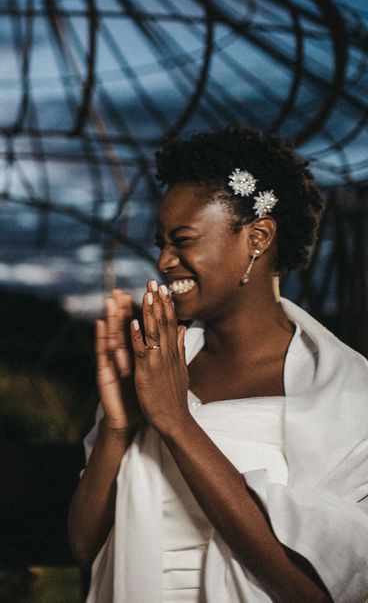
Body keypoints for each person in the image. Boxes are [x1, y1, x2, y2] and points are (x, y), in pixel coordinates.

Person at [68, 126, 368, 602]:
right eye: (161, 242)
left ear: (258, 237)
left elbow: (317, 590)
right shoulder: (158, 365)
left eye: (182, 240)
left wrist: (176, 422)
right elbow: (84, 546)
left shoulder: (346, 393)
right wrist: (120, 428)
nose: (165, 261)